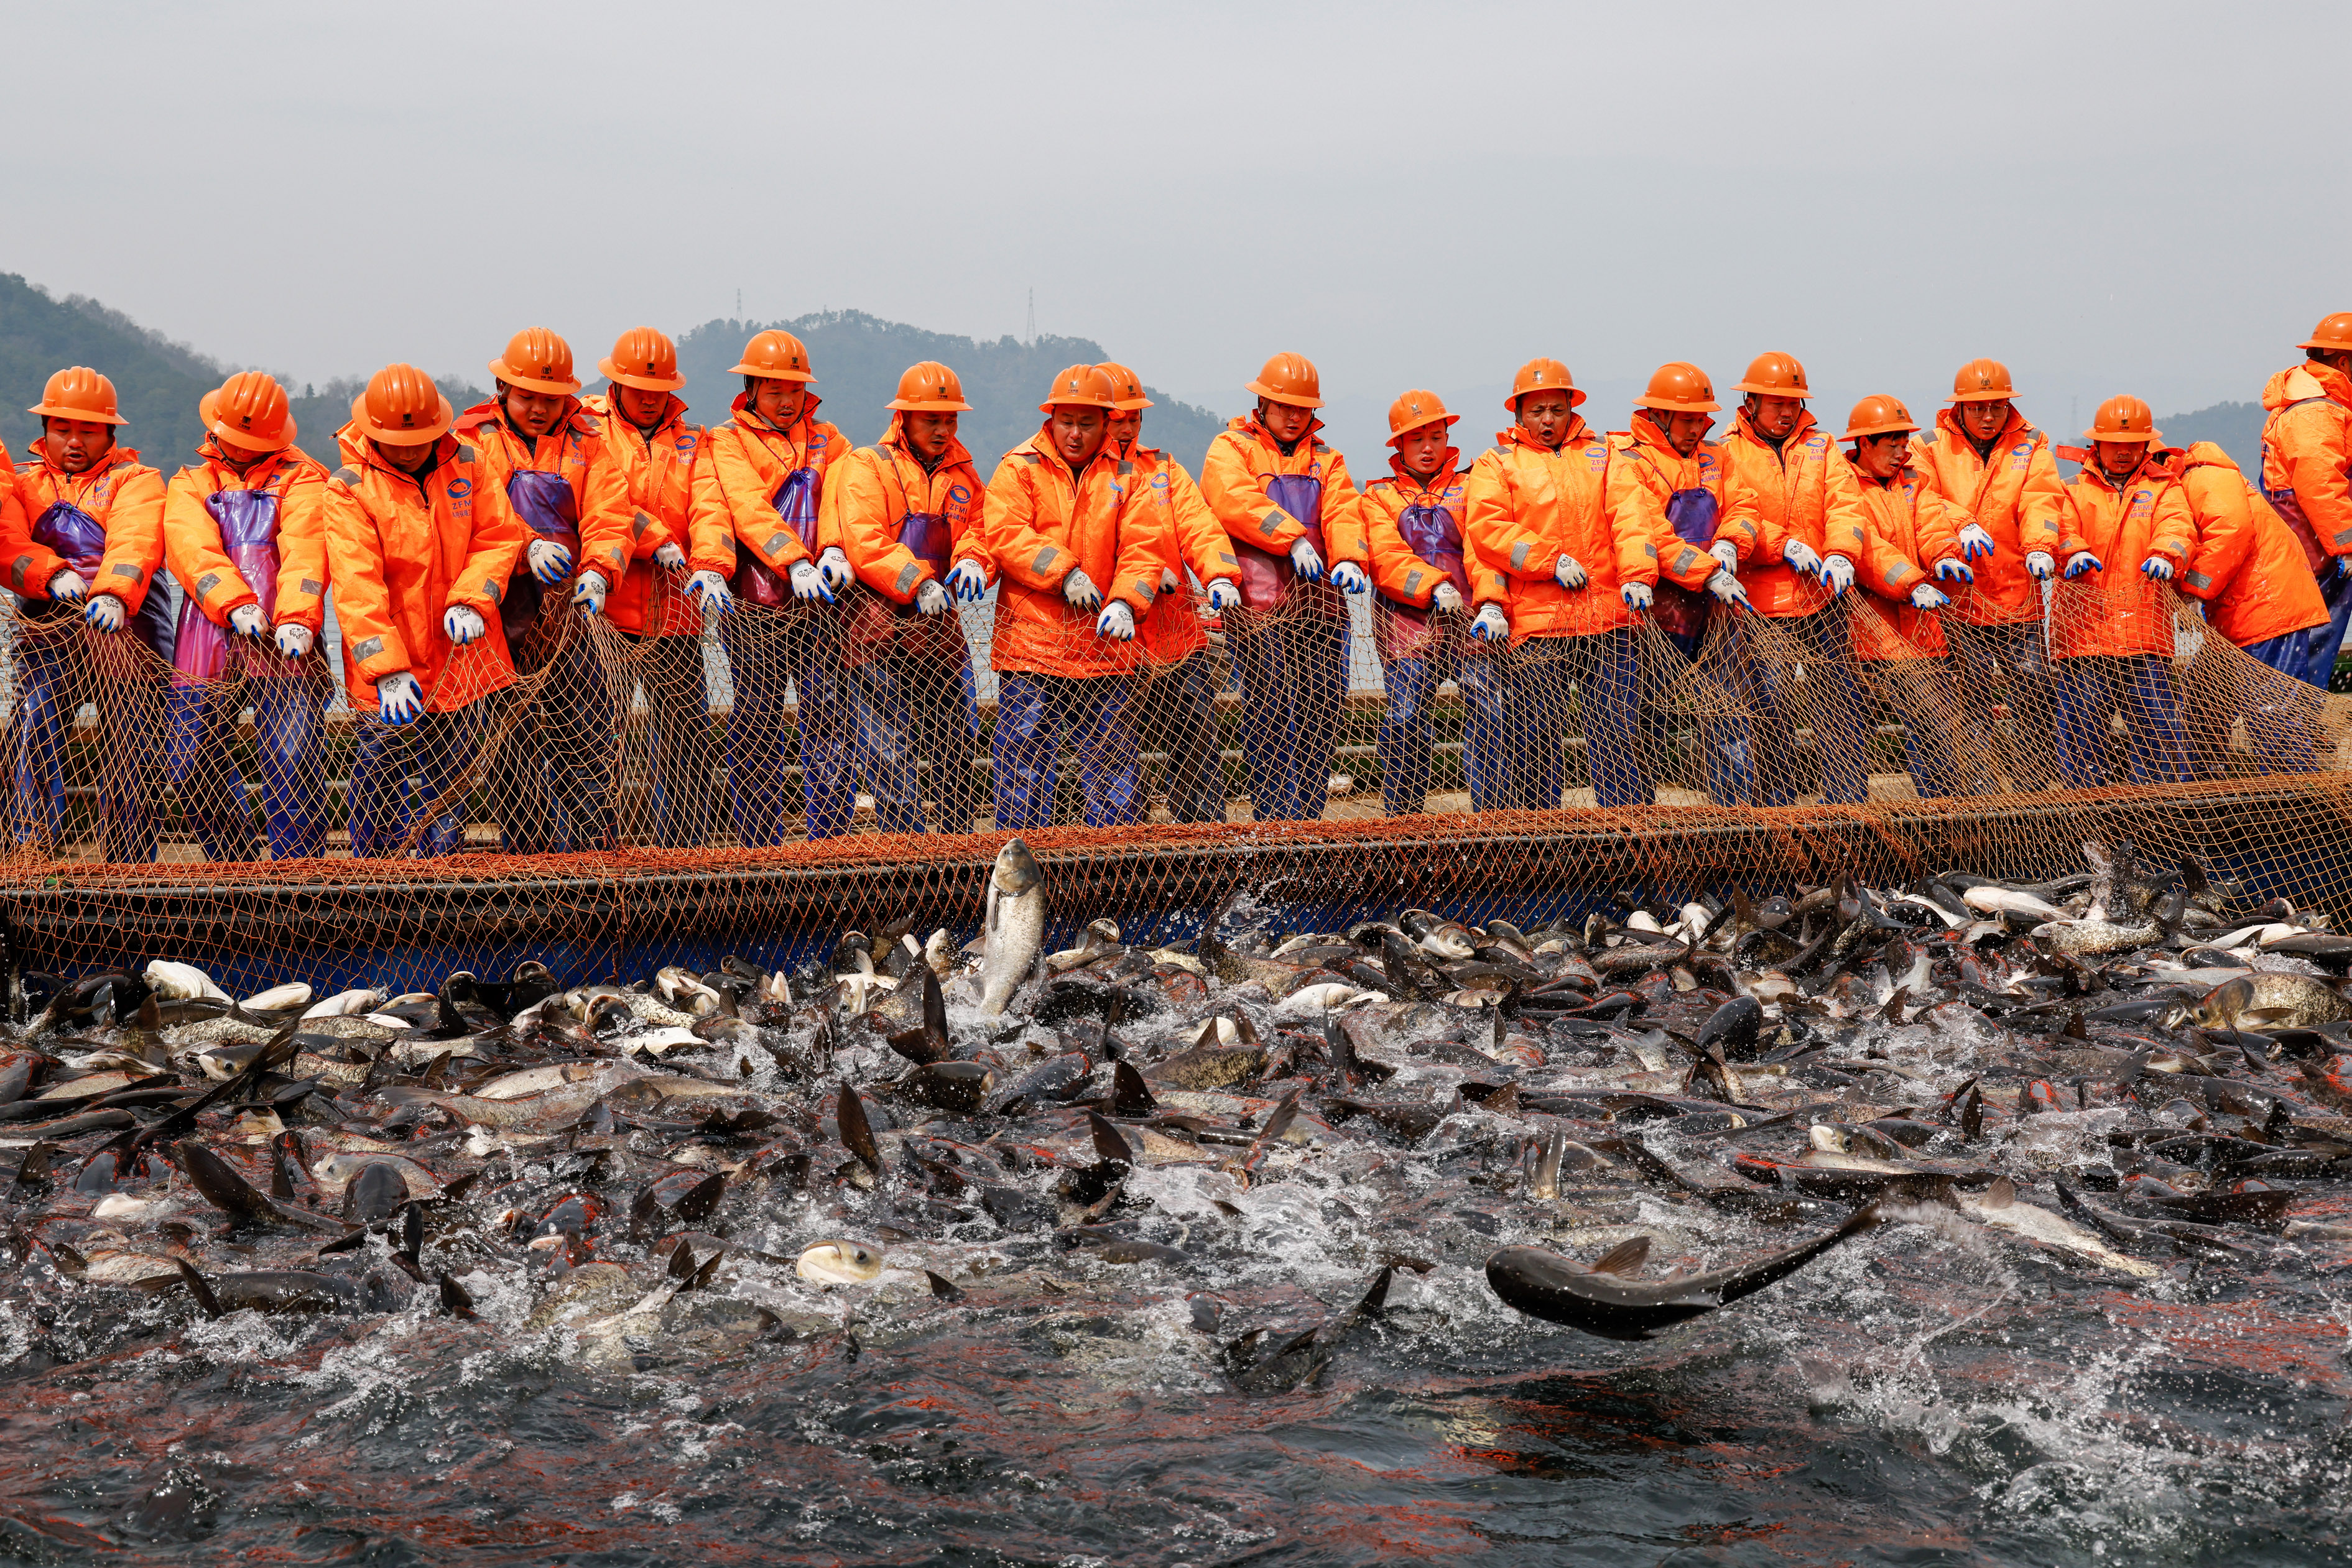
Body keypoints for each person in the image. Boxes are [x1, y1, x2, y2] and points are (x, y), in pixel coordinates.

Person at [324, 364, 527, 857]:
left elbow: (499, 537)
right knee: (377, 776)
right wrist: (387, 671)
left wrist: (475, 599)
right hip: (393, 677)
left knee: (452, 781)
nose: (412, 448)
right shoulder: (348, 488)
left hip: (464, 661)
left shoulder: (471, 465)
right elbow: (357, 587)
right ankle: (370, 876)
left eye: (422, 437)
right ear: (374, 432)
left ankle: (445, 873)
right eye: (399, 439)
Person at [455, 327, 631, 852]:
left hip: (574, 612)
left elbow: (611, 515)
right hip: (502, 612)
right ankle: (527, 857)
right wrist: (527, 546)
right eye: (527, 396)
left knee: (592, 734)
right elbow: (480, 518)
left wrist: (600, 570)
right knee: (513, 745)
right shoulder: (472, 442)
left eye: (550, 399)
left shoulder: (588, 444)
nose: (538, 409)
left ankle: (588, 857)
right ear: (502, 388)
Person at [687, 330, 859, 842]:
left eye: (795, 390)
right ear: (752, 389)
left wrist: (831, 548)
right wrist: (794, 562)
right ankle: (757, 841)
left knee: (831, 720)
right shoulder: (725, 440)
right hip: (754, 607)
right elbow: (747, 507)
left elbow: (845, 499)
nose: (787, 402)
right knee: (755, 723)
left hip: (824, 605)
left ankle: (828, 838)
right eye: (775, 390)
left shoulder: (831, 439)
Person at [1463, 358, 1658, 808]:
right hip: (1537, 626)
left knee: (1620, 740)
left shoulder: (1605, 454)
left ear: (1572, 408)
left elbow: (1632, 520)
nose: (1547, 419)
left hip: (1609, 619)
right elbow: (1488, 532)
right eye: (1537, 411)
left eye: (1556, 408)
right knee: (1534, 744)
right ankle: (1548, 867)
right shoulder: (1496, 464)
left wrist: (1638, 575)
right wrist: (1549, 561)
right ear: (1518, 414)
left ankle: (1629, 858)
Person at [159, 372, 333, 860]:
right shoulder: (190, 482)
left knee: (293, 757)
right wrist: (236, 603)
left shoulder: (303, 478)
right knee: (188, 759)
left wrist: (299, 615)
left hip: (285, 635)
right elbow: (192, 550)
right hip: (206, 633)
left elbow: (306, 548)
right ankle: (232, 856)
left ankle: (296, 867)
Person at [981, 365, 1162, 828]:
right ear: (1052, 418)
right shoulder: (1018, 466)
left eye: (1087, 423)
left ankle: (1117, 870)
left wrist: (1126, 602)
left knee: (1114, 764)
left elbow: (1145, 547)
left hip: (1105, 647)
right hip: (1031, 647)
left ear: (1106, 423)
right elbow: (1005, 534)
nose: (1076, 434)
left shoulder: (1129, 476)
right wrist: (1065, 574)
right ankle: (1023, 868)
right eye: (1067, 422)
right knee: (1022, 761)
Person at [1199, 353, 1370, 822]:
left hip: (1321, 605)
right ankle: (1275, 817)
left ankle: (1309, 816)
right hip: (1258, 608)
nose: (1294, 416)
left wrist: (1352, 558)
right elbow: (1235, 500)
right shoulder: (1230, 448)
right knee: (1270, 708)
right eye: (1283, 406)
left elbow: (1343, 512)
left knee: (1322, 709)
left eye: (1302, 408)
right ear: (1262, 403)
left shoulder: (1328, 459)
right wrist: (1291, 537)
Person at [822, 361, 991, 834]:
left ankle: (958, 843)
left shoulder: (966, 475)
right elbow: (864, 540)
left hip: (937, 635)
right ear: (904, 419)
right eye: (931, 419)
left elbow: (978, 530)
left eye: (950, 419)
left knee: (953, 742)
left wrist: (976, 559)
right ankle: (907, 845)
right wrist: (919, 582)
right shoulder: (868, 463)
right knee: (885, 749)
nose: (943, 429)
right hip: (875, 629)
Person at [8, 367, 169, 860]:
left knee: (133, 743)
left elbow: (136, 539)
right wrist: (50, 573)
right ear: (45, 433)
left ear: (111, 434)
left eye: (88, 430)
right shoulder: (21, 483)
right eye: (63, 430)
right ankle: (30, 846)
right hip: (48, 630)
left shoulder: (136, 479)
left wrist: (115, 593)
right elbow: (8, 544)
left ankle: (129, 859)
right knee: (34, 724)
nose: (74, 442)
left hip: (128, 630)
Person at [1715, 353, 1879, 805]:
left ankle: (1848, 806)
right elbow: (1735, 514)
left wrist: (1843, 553)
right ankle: (1778, 812)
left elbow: (1845, 506)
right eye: (1775, 403)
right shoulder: (1725, 450)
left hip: (1823, 599)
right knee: (1768, 709)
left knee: (1842, 706)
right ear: (1750, 402)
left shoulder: (1822, 446)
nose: (1786, 412)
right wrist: (1780, 544)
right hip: (1759, 605)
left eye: (1792, 402)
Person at [583, 327, 720, 846]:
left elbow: (709, 508)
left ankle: (687, 852)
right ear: (615, 383)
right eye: (638, 389)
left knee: (687, 743)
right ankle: (599, 851)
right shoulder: (587, 430)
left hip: (677, 614)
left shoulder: (693, 437)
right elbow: (605, 503)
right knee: (599, 739)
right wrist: (655, 536)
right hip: (606, 616)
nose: (648, 399)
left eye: (658, 390)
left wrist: (708, 564)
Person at [1909, 360, 2070, 790]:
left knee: (2035, 694)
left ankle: (2034, 790)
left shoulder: (2032, 445)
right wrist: (1962, 522)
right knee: (1970, 698)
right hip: (1958, 599)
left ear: (2007, 407)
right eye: (1978, 408)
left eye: (1996, 408)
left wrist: (2039, 547)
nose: (1987, 417)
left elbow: (2041, 501)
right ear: (1959, 408)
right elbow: (1921, 499)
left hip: (2019, 592)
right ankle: (1979, 791)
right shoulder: (1929, 445)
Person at [1606, 362, 1757, 804]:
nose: (1697, 427)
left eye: (1700, 419)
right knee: (1642, 722)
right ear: (1660, 415)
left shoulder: (1717, 457)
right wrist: (1708, 571)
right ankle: (1641, 822)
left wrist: (1731, 543)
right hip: (1658, 617)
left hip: (1719, 613)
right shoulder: (1631, 463)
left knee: (1730, 715)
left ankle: (1735, 818)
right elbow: (1651, 534)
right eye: (1687, 418)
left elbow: (1744, 506)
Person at [1101, 361, 1234, 824]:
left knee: (1196, 743)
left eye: (1135, 416)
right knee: (1115, 750)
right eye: (1119, 416)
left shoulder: (1165, 470)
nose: (1128, 426)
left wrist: (1218, 574)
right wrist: (1147, 572)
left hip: (1177, 633)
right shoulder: (1087, 475)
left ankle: (1205, 837)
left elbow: (1200, 526)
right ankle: (1125, 843)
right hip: (1114, 641)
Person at [1361, 390, 1504, 814]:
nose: (1428, 448)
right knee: (1405, 719)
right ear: (1398, 445)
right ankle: (1402, 818)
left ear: (1448, 439)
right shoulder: (1378, 497)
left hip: (1471, 622)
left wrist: (1492, 602)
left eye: (1437, 437)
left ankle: (1492, 818)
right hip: (1407, 627)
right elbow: (1386, 558)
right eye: (1417, 439)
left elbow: (1486, 548)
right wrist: (1432, 585)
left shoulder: (1471, 487)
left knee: (1492, 712)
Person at [2049, 397, 2200, 786]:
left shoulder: (2165, 489)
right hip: (2083, 640)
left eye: (2132, 444)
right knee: (2081, 746)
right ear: (2097, 444)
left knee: (2161, 740)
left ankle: (2165, 830)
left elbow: (2180, 529)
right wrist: (2072, 551)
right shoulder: (2068, 489)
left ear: (2146, 446)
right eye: (2115, 443)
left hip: (2145, 637)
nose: (2123, 451)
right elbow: (2057, 530)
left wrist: (2167, 554)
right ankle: (2086, 838)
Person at [2167, 438, 2331, 772]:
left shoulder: (2203, 476)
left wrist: (2194, 593)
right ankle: (2207, 791)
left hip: (2266, 611)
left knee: (2272, 717)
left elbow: (2231, 530)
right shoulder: (2185, 486)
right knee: (2204, 702)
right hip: (2237, 615)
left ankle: (2302, 802)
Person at [1839, 396, 1975, 799]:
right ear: (1865, 444)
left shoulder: (1914, 482)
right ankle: (1854, 827)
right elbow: (1868, 551)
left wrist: (1946, 555)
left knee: (1937, 737)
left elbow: (1932, 525)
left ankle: (1944, 819)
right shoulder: (1846, 485)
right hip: (1867, 639)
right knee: (1851, 740)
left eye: (1904, 442)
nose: (1902, 452)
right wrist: (1914, 583)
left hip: (1921, 637)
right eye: (1892, 444)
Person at [2258, 313, 2352, 688]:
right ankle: (2293, 734)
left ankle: (2298, 727)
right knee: (2308, 639)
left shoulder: (2320, 403)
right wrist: (2346, 545)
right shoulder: (2317, 410)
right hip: (2316, 547)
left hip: (2313, 542)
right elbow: (2320, 485)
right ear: (2344, 362)